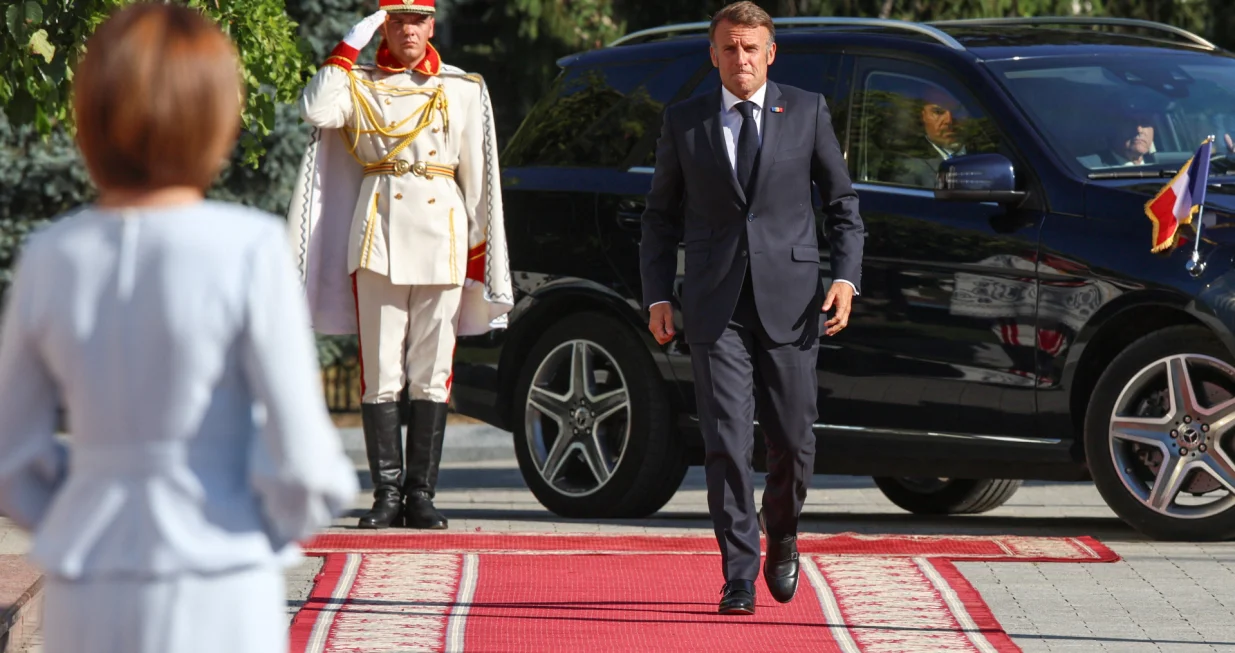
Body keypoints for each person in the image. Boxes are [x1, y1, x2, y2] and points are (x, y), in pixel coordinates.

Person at [0, 4, 358, 653]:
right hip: (221, 579)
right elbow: (308, 464)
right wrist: (250, 528)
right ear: (215, 117)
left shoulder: (52, 254)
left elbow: (9, 456)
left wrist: (87, 508)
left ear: (91, 113)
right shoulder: (249, 248)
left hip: (90, 582)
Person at [639, 1, 864, 615]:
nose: (740, 59)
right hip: (714, 307)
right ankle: (738, 572)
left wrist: (845, 280)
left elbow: (843, 206)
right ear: (713, 54)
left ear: (771, 52)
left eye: (750, 48)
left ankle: (783, 531)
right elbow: (660, 217)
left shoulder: (808, 111)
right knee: (727, 442)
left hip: (792, 306)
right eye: (729, 48)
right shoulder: (685, 121)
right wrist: (658, 293)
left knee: (793, 440)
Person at [289, 0, 512, 531]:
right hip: (380, 233)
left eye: (417, 20)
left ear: (431, 25)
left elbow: (480, 180)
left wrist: (481, 258)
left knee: (431, 373)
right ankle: (386, 494)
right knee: (382, 372)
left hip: (442, 234)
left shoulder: (462, 87)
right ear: (383, 26)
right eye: (396, 20)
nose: (408, 29)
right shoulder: (357, 82)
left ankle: (422, 495)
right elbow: (316, 109)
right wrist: (351, 41)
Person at [890, 85, 967, 187]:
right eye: (938, 112)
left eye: (956, 112)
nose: (949, 120)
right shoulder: (909, 167)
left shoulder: (989, 151)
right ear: (923, 116)